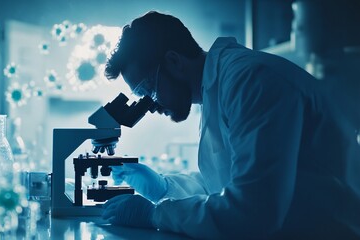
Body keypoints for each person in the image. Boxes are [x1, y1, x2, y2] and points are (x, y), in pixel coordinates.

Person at [101, 11, 360, 239]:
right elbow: (226, 184)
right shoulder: (216, 89)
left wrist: (156, 215)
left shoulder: (252, 81)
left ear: (174, 62)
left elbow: (253, 212)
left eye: (149, 90)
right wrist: (164, 187)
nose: (151, 106)